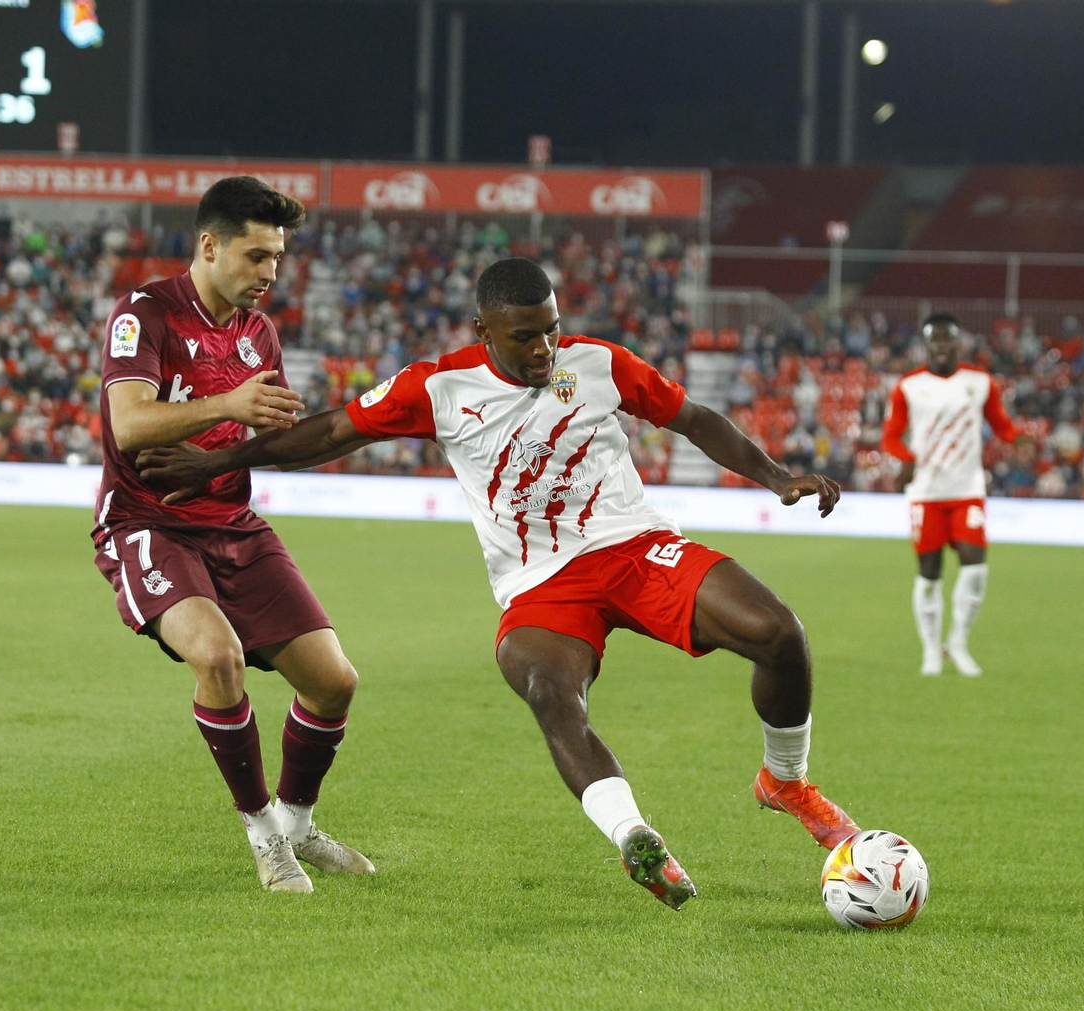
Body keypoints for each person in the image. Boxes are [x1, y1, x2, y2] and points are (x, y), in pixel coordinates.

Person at [137, 257, 857, 911]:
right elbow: (328, 434)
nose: (544, 348)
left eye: (552, 330)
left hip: (636, 547)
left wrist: (776, 477)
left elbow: (693, 417)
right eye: (524, 336)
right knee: (549, 689)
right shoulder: (439, 387)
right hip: (540, 584)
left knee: (779, 634)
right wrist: (215, 462)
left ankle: (785, 781)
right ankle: (634, 836)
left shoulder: (600, 363)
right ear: (484, 331)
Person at [92, 176, 373, 894]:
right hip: (148, 522)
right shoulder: (144, 313)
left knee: (334, 681)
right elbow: (129, 424)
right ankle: (265, 836)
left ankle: (299, 824)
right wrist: (229, 404)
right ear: (210, 246)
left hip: (235, 523)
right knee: (218, 658)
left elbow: (264, 433)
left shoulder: (259, 332)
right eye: (256, 255)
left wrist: (245, 443)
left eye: (276, 256)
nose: (270, 271)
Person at [881, 313, 1018, 677]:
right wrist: (906, 460)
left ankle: (957, 643)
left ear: (958, 343)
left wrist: (1019, 440)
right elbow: (890, 436)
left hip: (967, 489)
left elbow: (1002, 425)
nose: (942, 345)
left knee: (975, 567)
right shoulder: (909, 386)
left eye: (947, 339)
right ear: (926, 345)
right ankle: (930, 650)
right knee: (930, 573)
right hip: (926, 492)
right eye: (935, 339)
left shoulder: (980, 382)